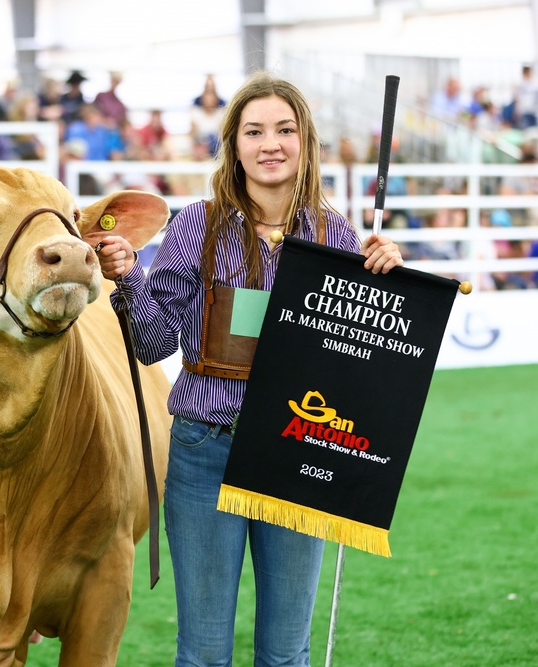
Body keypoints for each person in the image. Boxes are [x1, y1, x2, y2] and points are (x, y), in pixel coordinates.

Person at [95, 71, 403, 666]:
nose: (271, 144)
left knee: (286, 655)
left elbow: (357, 360)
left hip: (297, 453)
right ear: (233, 145)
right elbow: (157, 344)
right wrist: (130, 276)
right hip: (204, 450)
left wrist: (384, 279)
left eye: (285, 130)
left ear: (304, 141)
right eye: (254, 131)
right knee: (205, 655)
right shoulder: (195, 224)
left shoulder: (336, 234)